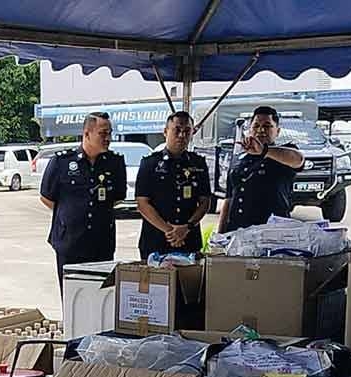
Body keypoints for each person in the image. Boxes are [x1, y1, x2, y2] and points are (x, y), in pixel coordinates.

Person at [40, 111, 127, 289]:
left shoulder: (114, 163)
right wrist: (72, 215)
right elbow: (46, 197)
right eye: (103, 133)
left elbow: (117, 198)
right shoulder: (62, 162)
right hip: (70, 243)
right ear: (86, 133)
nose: (108, 138)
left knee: (101, 297)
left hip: (101, 242)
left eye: (110, 133)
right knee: (72, 298)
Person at [135, 111, 212, 260]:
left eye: (187, 131)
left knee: (189, 282)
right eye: (177, 130)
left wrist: (186, 228)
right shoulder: (150, 163)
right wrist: (170, 231)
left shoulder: (198, 164)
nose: (182, 135)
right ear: (165, 132)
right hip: (156, 240)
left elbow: (205, 202)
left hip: (189, 239)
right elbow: (142, 203)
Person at [218, 106, 305, 233]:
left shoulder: (282, 154)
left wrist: (264, 151)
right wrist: (220, 234)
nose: (261, 130)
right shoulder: (240, 157)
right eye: (256, 126)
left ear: (277, 131)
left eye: (267, 126)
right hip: (237, 231)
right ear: (250, 129)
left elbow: (298, 159)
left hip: (269, 232)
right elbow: (229, 199)